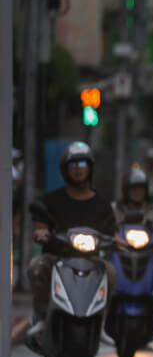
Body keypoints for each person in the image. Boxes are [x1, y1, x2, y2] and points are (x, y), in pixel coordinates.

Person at [27, 142, 118, 334]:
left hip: (91, 260)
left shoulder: (101, 203)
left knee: (110, 272)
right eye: (73, 165)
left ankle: (100, 322)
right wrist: (42, 232)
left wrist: (120, 241)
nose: (78, 170)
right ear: (65, 170)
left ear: (90, 169)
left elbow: (112, 232)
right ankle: (42, 317)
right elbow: (41, 224)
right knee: (37, 266)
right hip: (57, 258)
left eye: (83, 165)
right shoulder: (51, 200)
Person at [112, 166, 153, 299]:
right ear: (126, 190)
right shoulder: (115, 209)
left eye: (140, 188)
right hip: (120, 255)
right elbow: (106, 227)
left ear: (146, 190)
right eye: (133, 188)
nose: (137, 192)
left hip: (150, 255)